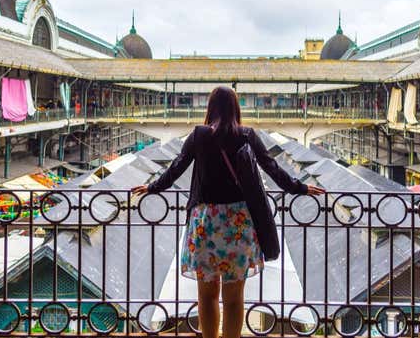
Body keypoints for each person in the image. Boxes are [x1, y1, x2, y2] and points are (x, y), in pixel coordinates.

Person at [131, 86, 324, 338]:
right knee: (234, 299)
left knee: (207, 296)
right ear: (236, 108)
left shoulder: (199, 135)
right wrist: (299, 188)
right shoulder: (246, 135)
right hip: (238, 223)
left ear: (210, 108)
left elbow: (176, 167)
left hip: (205, 223)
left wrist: (152, 187)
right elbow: (271, 167)